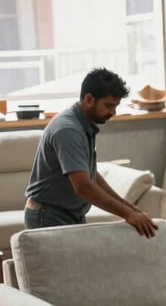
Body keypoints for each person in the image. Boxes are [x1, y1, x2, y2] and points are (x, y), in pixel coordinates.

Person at [24, 68, 157, 238]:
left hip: (70, 215)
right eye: (108, 106)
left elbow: (91, 176)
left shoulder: (84, 125)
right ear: (88, 99)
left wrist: (130, 208)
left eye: (116, 107)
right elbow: (83, 187)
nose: (113, 113)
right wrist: (127, 214)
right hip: (49, 217)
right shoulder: (68, 130)